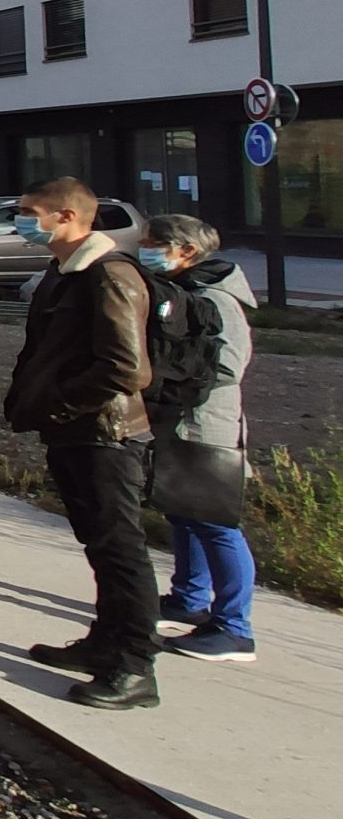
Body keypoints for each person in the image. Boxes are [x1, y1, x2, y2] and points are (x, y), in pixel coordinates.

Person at [1, 176, 159, 710]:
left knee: (121, 550)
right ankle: (105, 642)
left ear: (66, 216)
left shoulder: (109, 275)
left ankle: (135, 665)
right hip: (72, 432)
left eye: (29, 212)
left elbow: (125, 368)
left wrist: (60, 404)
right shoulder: (64, 272)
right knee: (98, 543)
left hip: (105, 435)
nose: (21, 221)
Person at [141, 214, 259, 665]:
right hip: (178, 418)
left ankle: (234, 627)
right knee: (183, 511)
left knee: (215, 522)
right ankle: (189, 597)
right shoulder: (185, 291)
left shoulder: (215, 298)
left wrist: (169, 380)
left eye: (155, 244)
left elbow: (228, 364)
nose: (145, 250)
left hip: (207, 423)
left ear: (186, 250)